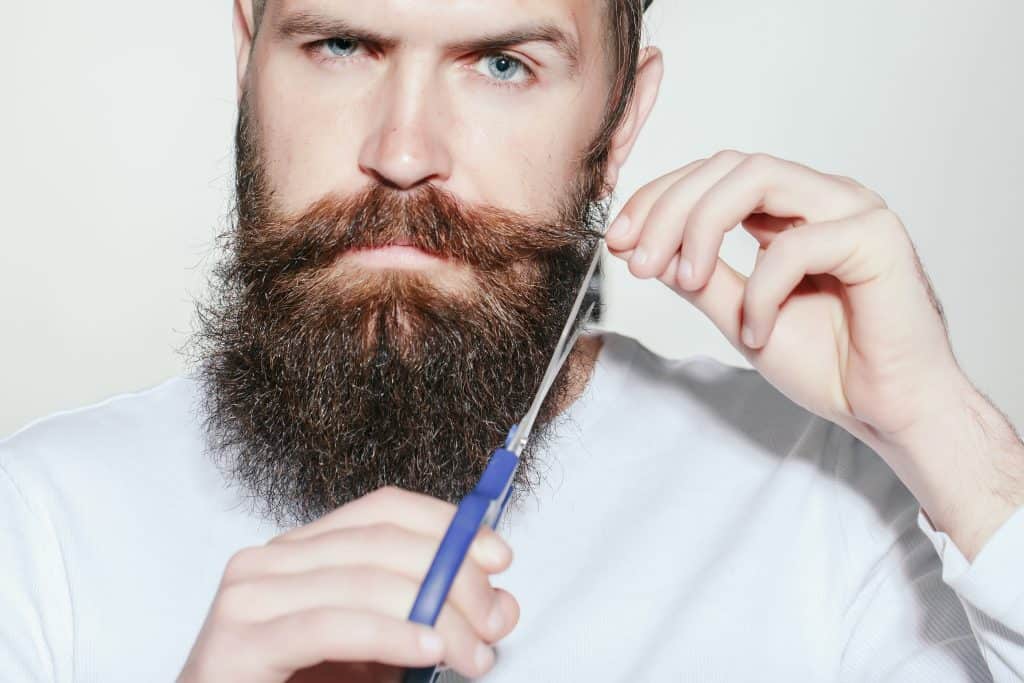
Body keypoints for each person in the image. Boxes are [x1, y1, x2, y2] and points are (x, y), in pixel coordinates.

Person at [1, 0, 1021, 680]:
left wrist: (951, 443)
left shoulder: (823, 506)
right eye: (340, 45)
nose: (402, 153)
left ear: (619, 122)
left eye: (501, 63)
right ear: (246, 55)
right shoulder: (35, 529)